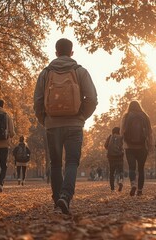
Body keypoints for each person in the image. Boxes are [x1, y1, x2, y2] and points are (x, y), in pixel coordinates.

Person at [33, 38, 98, 214]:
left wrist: (45, 120)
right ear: (71, 52)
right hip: (74, 125)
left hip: (52, 125)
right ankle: (65, 196)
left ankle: (57, 200)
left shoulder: (45, 73)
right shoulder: (80, 71)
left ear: (55, 52)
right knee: (71, 162)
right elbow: (92, 98)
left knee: (55, 164)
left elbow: (38, 101)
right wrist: (82, 115)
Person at [120, 100, 153, 196]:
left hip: (129, 147)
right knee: (141, 169)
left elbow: (122, 131)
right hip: (142, 146)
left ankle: (133, 184)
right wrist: (150, 145)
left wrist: (122, 143)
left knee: (132, 168)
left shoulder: (126, 116)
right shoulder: (145, 116)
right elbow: (150, 132)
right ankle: (140, 190)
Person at [104, 127, 124, 192]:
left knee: (111, 173)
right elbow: (123, 146)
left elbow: (105, 145)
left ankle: (112, 189)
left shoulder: (110, 137)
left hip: (111, 158)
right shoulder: (121, 137)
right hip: (120, 157)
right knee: (121, 171)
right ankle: (120, 181)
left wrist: (110, 150)